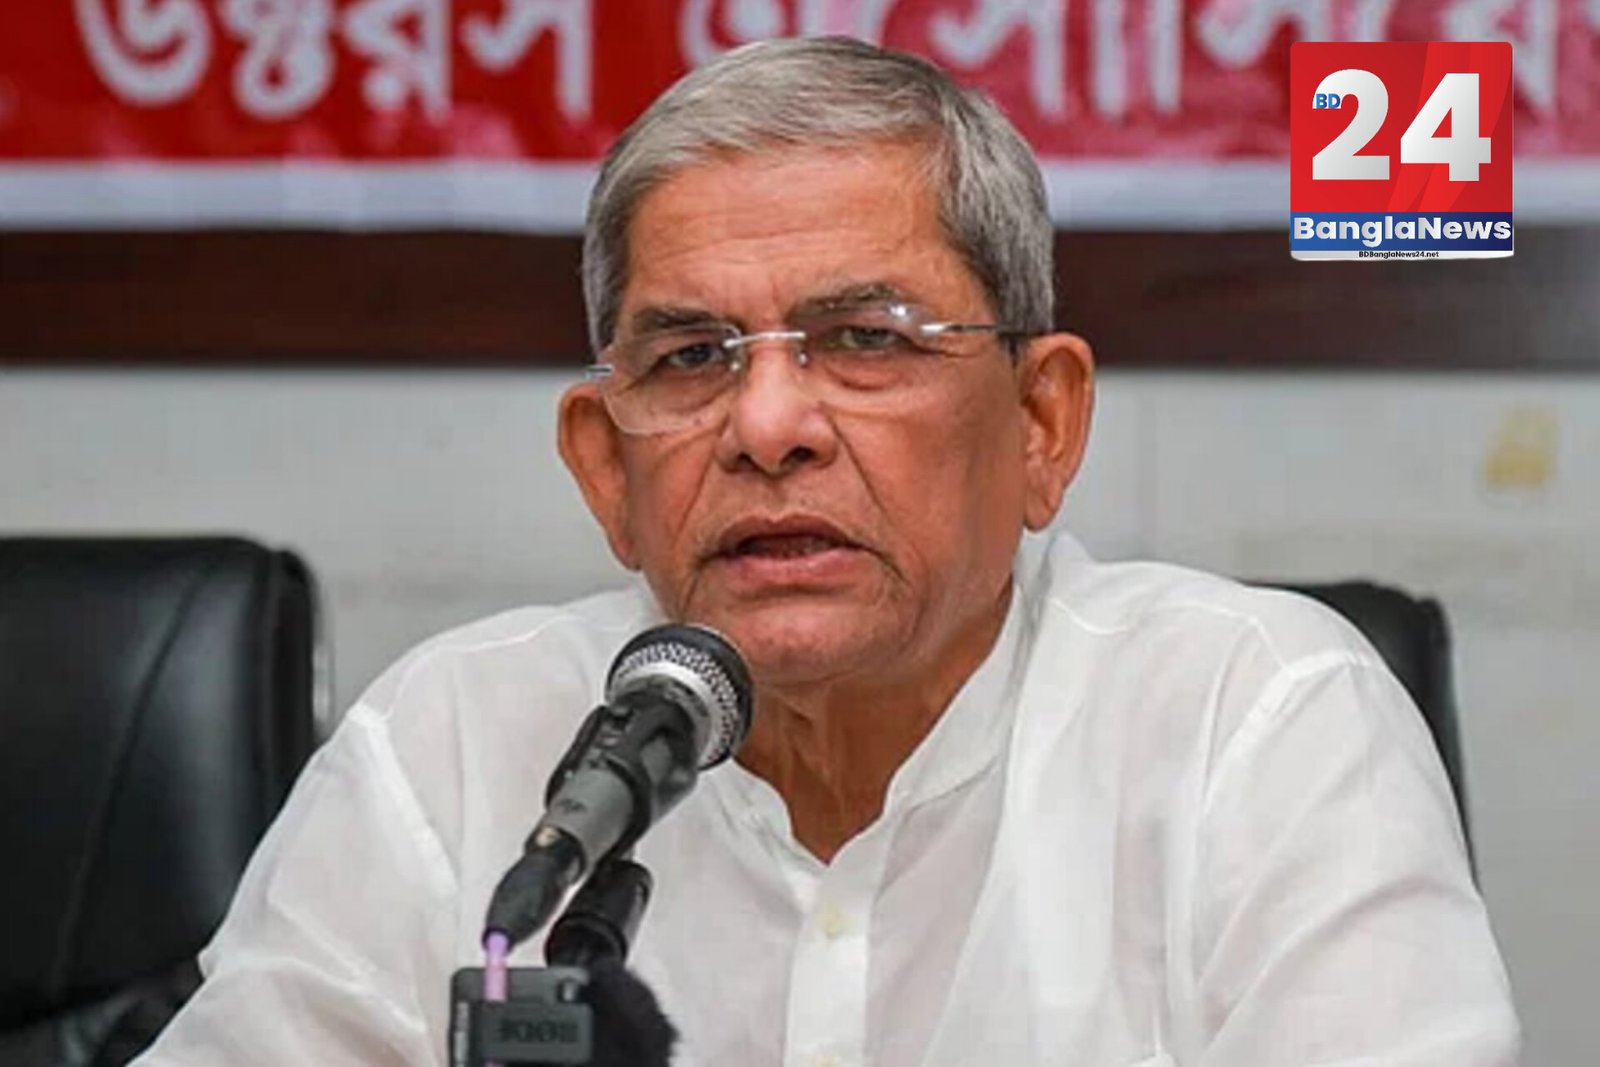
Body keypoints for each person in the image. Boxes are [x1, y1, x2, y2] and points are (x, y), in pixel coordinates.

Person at [134, 36, 1519, 1067]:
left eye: (866, 341)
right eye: (692, 357)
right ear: (608, 469)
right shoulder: (451, 749)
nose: (768, 426)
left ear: (1041, 425)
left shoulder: (1258, 728)